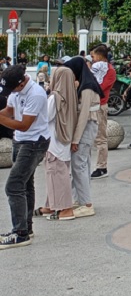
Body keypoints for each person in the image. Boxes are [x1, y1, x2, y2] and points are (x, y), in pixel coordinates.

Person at [0, 65, 50, 249]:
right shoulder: (15, 92)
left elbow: (24, 125)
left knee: (13, 185)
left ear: (21, 83)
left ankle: (20, 233)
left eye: (11, 88)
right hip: (19, 141)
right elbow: (9, 111)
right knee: (25, 184)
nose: (9, 93)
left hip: (35, 142)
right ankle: (26, 228)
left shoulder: (36, 94)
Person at [64, 56, 101, 217]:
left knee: (78, 164)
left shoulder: (87, 88)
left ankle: (86, 203)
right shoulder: (86, 84)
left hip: (86, 128)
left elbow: (84, 115)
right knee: (82, 164)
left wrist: (75, 139)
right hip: (87, 127)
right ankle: (80, 199)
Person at [41, 67, 76, 220]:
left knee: (56, 175)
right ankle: (52, 205)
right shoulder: (72, 95)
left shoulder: (54, 97)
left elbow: (44, 117)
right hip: (65, 141)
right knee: (60, 175)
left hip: (54, 142)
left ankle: (65, 209)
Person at [89, 44, 116, 179]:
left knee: (100, 137)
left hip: (100, 105)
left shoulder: (109, 71)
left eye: (94, 56)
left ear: (100, 56)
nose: (93, 59)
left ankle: (101, 167)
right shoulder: (96, 69)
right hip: (90, 104)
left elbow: (101, 87)